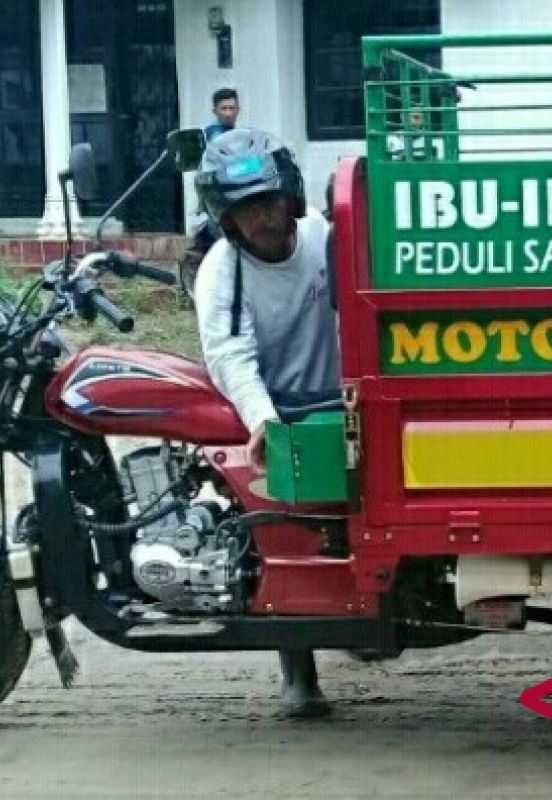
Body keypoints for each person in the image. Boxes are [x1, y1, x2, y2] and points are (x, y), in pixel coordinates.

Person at [193, 128, 340, 718]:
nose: (265, 216)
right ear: (227, 218)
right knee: (283, 524)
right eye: (248, 207)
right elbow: (230, 356)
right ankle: (297, 668)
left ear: (292, 197)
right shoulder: (221, 273)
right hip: (274, 404)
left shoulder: (327, 240)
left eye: (271, 200)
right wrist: (263, 422)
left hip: (342, 396)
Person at [180, 88, 242, 298]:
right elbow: (228, 167)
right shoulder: (213, 136)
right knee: (223, 244)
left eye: (232, 108)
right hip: (218, 202)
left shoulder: (239, 137)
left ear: (238, 110)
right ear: (215, 110)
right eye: (223, 108)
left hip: (238, 198)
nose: (228, 112)